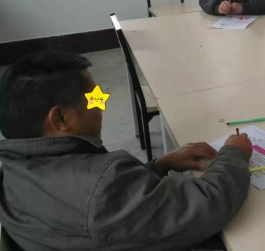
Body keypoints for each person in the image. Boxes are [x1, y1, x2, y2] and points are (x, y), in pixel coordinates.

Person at [0, 52, 252, 251]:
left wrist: (158, 165)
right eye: (94, 98)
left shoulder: (12, 171)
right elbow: (205, 207)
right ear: (61, 119)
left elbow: (111, 210)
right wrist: (234, 153)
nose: (102, 104)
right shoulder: (102, 187)